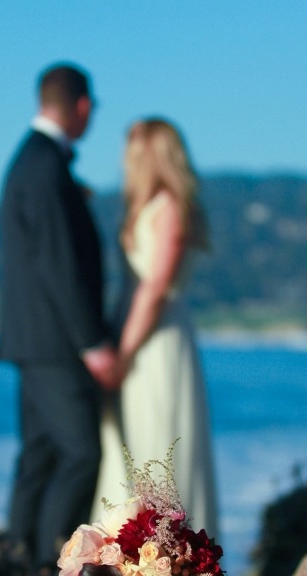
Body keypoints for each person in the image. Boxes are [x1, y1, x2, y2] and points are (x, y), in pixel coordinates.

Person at [0, 63, 118, 572]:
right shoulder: (45, 168)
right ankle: (50, 571)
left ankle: (15, 571)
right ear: (83, 106)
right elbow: (59, 264)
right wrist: (93, 343)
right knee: (81, 457)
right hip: (55, 345)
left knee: (41, 458)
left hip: (33, 341)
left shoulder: (32, 161)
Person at [92, 118, 219, 539]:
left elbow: (153, 290)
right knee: (135, 458)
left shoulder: (168, 208)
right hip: (139, 335)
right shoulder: (152, 208)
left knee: (157, 457)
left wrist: (123, 355)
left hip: (154, 344)